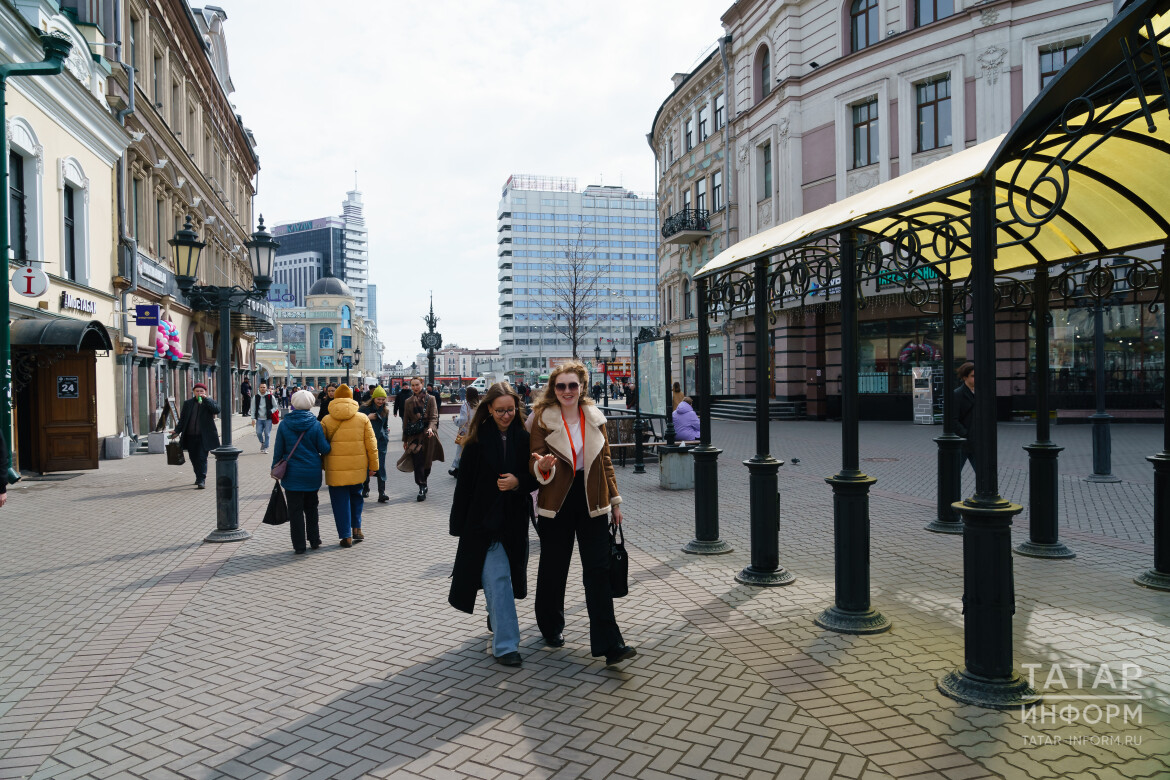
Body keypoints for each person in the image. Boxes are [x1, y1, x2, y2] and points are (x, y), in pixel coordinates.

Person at [530, 360, 635, 667]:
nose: (566, 391)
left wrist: (615, 502)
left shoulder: (594, 417)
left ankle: (610, 643)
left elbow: (605, 462)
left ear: (582, 387)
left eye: (572, 385)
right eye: (561, 386)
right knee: (553, 569)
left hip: (592, 499)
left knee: (598, 572)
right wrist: (541, 467)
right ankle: (550, 626)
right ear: (554, 388)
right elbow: (532, 461)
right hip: (556, 499)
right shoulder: (541, 418)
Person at [448, 382, 537, 667]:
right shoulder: (475, 442)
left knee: (504, 583)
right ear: (489, 409)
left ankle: (496, 615)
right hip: (482, 526)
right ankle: (506, 646)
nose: (506, 415)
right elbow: (463, 487)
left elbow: (535, 477)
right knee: (498, 581)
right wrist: (458, 525)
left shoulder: (524, 438)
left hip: (512, 524)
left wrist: (518, 482)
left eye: (511, 409)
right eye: (500, 410)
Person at [271, 390, 331, 554]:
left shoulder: (284, 424)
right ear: (311, 404)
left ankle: (299, 545)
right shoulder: (316, 424)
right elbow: (324, 448)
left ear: (293, 403)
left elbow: (278, 451)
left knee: (295, 510)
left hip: (291, 474)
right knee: (311, 507)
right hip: (312, 473)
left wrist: (274, 469)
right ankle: (314, 539)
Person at [321, 384, 379, 548]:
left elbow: (321, 445)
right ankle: (357, 529)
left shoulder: (326, 420)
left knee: (339, 502)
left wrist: (323, 464)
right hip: (358, 468)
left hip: (335, 469)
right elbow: (371, 445)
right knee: (356, 498)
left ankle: (345, 536)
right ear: (352, 398)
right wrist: (374, 465)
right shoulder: (362, 418)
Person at [398, 376, 444, 501]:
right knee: (418, 462)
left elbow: (434, 417)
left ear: (422, 384)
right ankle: (421, 486)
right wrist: (405, 440)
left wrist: (431, 428)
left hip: (428, 435)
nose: (415, 387)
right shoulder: (408, 401)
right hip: (414, 436)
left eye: (417, 385)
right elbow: (406, 422)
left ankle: (424, 481)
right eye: (412, 385)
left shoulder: (431, 399)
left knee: (427, 464)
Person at [171, 383, 219, 489]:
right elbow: (182, 419)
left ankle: (201, 479)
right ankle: (198, 476)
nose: (199, 393)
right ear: (193, 392)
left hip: (204, 437)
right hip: (190, 436)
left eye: (201, 391)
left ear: (205, 392)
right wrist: (176, 431)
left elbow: (216, 410)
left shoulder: (209, 402)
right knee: (193, 458)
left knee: (202, 458)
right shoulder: (188, 403)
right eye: (197, 391)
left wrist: (206, 400)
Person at [359, 386, 391, 502]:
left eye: (383, 399)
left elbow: (385, 426)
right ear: (373, 398)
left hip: (381, 442)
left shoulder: (385, 410)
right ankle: (365, 488)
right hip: (366, 442)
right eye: (379, 399)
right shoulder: (364, 408)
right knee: (366, 465)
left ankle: (381, 493)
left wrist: (386, 436)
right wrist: (367, 417)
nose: (381, 402)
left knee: (381, 466)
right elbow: (356, 422)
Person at [449, 387, 481, 477]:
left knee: (460, 451)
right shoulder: (479, 405)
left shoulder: (466, 405)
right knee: (473, 451)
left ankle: (458, 470)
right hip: (475, 432)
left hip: (465, 432)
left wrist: (455, 419)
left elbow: (463, 420)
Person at [954, 362, 976, 475]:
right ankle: (953, 493)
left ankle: (981, 493)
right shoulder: (958, 394)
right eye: (972, 376)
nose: (976, 378)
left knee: (983, 474)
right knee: (954, 473)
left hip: (977, 442)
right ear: (964, 377)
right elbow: (952, 419)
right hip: (963, 442)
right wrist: (965, 434)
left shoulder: (981, 393)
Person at [250, 382, 278, 454]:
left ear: (266, 388)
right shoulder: (255, 397)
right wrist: (253, 418)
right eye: (261, 387)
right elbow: (252, 408)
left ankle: (266, 447)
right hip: (259, 419)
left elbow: (276, 406)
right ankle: (262, 443)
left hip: (268, 419)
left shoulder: (270, 396)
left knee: (267, 434)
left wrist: (271, 411)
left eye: (264, 387)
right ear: (259, 388)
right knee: (258, 432)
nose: (262, 388)